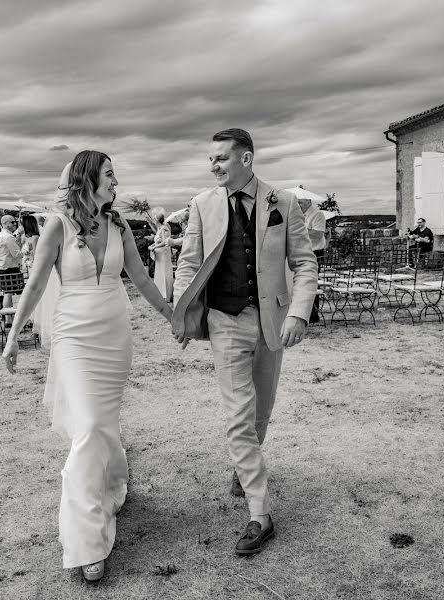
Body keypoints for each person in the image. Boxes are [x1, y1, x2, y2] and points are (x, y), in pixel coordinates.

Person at [1, 151, 172, 582]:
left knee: (103, 422)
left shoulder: (118, 226)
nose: (117, 181)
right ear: (88, 180)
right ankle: (86, 542)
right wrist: (13, 334)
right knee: (90, 426)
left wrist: (175, 317)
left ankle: (112, 484)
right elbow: (37, 282)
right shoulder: (56, 226)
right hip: (74, 337)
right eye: (110, 174)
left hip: (115, 336)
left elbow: (143, 279)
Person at [172, 128, 317, 556]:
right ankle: (260, 513)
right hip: (224, 320)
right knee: (238, 414)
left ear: (246, 159)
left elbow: (305, 264)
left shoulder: (283, 202)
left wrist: (298, 312)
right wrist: (180, 313)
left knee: (262, 410)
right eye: (211, 160)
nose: (213, 166)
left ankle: (243, 464)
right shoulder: (201, 205)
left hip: (271, 320)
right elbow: (188, 262)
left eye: (220, 158)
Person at [301, 198, 328, 323]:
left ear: (308, 201)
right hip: (301, 252)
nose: (298, 205)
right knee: (301, 283)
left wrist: (299, 229)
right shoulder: (299, 215)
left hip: (314, 253)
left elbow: (318, 234)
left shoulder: (317, 214)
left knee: (312, 282)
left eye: (300, 202)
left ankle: (313, 315)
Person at [148, 207, 173, 302]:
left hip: (164, 254)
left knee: (164, 272)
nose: (153, 220)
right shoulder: (159, 229)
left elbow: (164, 242)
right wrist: (152, 245)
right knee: (159, 272)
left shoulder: (164, 228)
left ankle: (166, 295)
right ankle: (160, 293)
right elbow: (157, 241)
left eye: (154, 219)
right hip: (159, 255)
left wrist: (154, 247)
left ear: (156, 220)